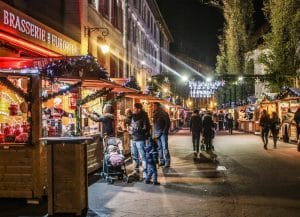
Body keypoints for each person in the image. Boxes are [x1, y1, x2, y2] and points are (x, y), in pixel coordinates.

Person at [129, 103, 151, 180]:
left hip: (140, 139)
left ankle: (145, 173)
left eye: (134, 108)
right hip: (133, 138)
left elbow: (146, 128)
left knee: (142, 156)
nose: (133, 110)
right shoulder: (133, 116)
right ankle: (136, 171)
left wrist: (136, 129)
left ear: (139, 109)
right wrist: (130, 129)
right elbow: (130, 124)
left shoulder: (144, 116)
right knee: (134, 156)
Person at [153, 102, 171, 167]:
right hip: (157, 133)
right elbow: (155, 125)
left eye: (154, 106)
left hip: (163, 134)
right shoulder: (155, 113)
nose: (153, 107)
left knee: (165, 147)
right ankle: (162, 161)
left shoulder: (164, 113)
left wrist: (164, 131)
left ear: (158, 106)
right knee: (159, 148)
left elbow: (168, 123)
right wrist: (154, 133)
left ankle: (167, 161)